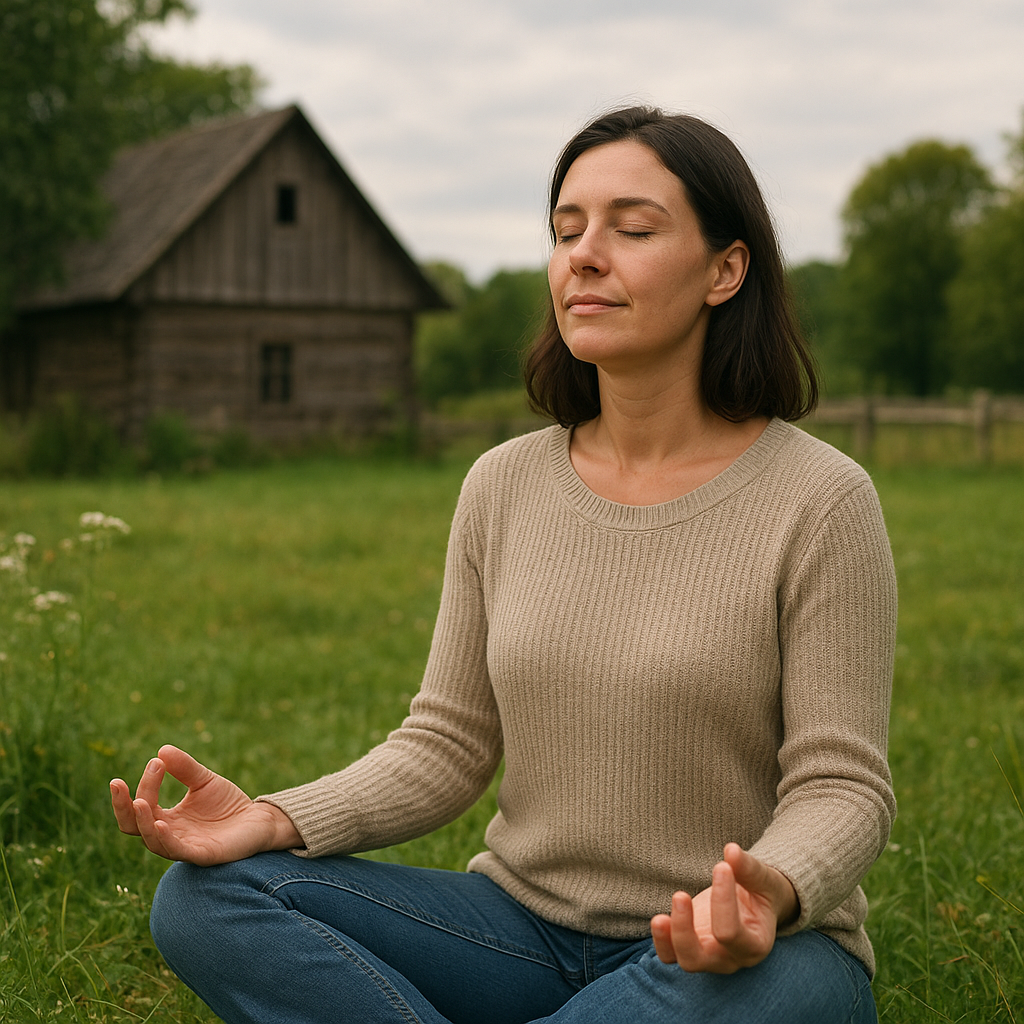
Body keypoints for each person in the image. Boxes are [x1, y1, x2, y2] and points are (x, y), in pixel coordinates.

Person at [111, 105, 897, 1024]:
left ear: (725, 270)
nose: (584, 256)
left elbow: (842, 786)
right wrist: (278, 819)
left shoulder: (821, 499)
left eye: (633, 229)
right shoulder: (503, 484)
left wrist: (773, 890)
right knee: (209, 899)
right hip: (520, 935)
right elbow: (446, 745)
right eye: (567, 230)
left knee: (776, 990)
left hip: (737, 960)